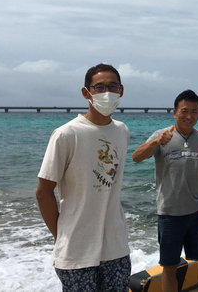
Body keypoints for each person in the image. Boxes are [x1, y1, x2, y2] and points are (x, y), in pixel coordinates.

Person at [36, 63, 131, 292]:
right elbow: (44, 192)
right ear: (86, 92)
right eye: (99, 87)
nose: (106, 92)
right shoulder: (66, 134)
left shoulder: (122, 131)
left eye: (112, 86)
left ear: (121, 90)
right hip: (76, 251)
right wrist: (62, 236)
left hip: (116, 248)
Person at [132, 90, 198, 292]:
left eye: (194, 111)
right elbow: (136, 157)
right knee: (170, 269)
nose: (189, 116)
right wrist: (156, 142)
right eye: (184, 111)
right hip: (169, 215)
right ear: (174, 112)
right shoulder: (161, 136)